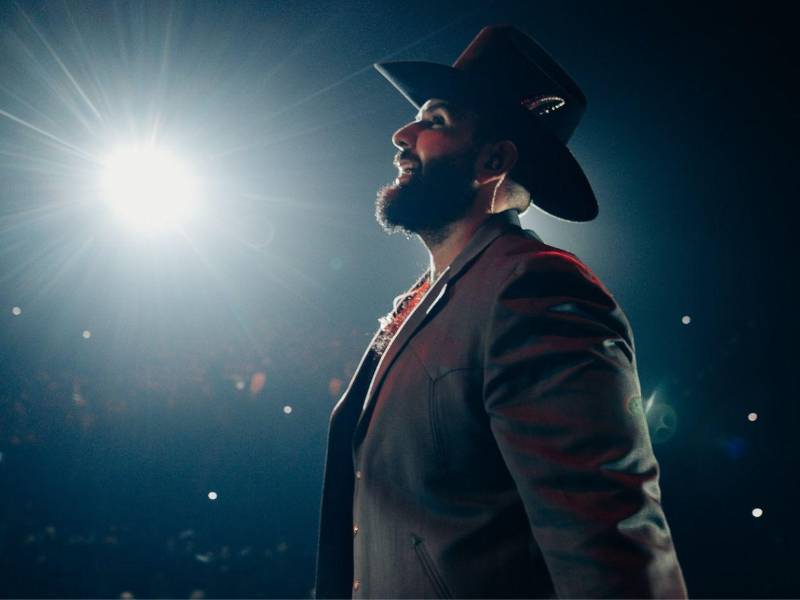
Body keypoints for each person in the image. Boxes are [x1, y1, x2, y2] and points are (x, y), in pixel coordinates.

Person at [315, 26, 687, 599]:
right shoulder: (436, 295)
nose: (402, 134)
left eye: (435, 121)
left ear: (492, 160)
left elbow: (611, 547)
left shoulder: (534, 289)